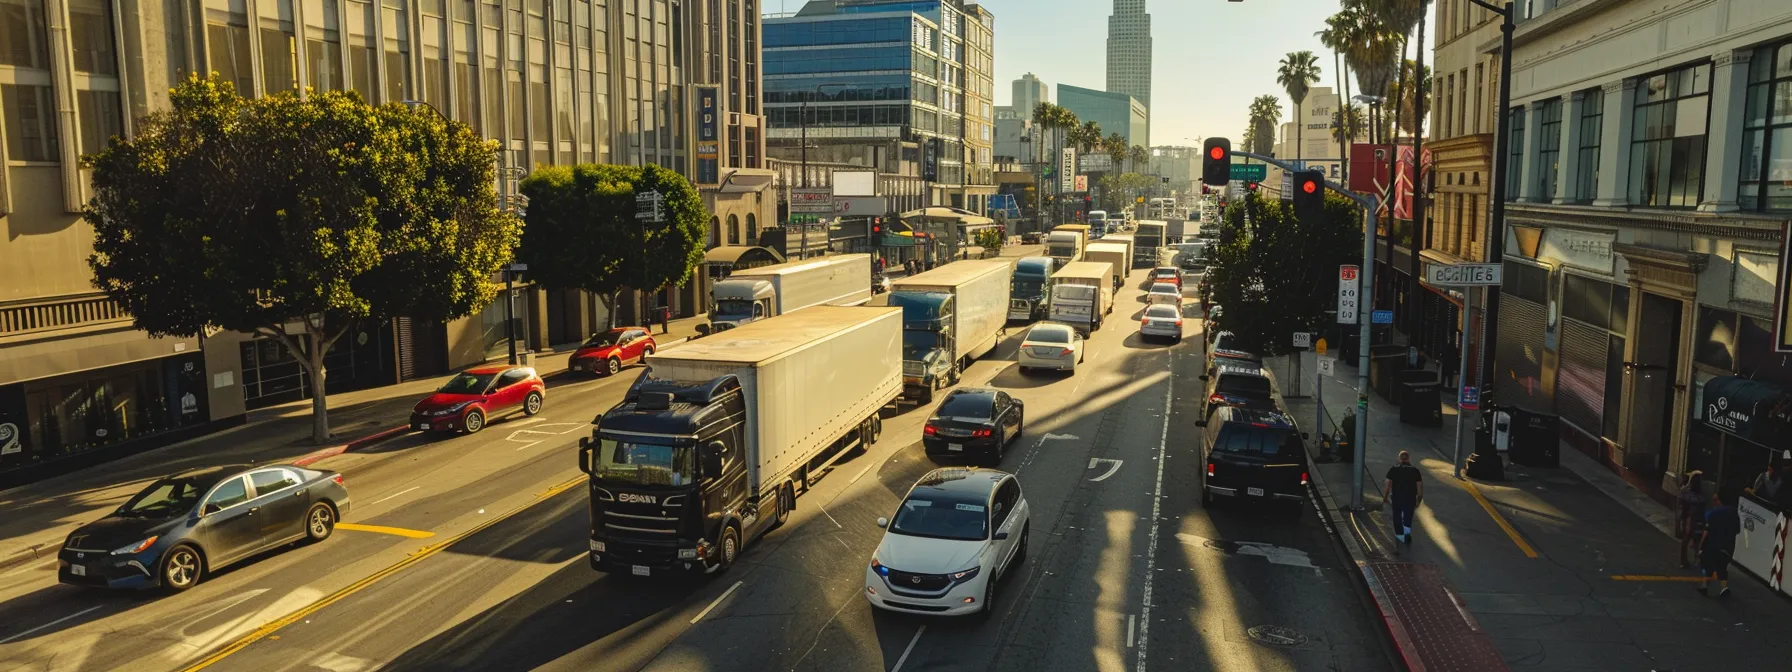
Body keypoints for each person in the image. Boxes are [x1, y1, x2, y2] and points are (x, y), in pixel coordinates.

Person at [1697, 488, 1741, 597]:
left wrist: (1700, 546)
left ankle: (1705, 586)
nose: (1714, 503)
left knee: (1708, 566)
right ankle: (1723, 587)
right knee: (1722, 567)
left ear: (1720, 500)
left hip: (1713, 546)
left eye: (1715, 500)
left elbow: (1706, 532)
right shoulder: (1734, 512)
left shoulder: (1713, 513)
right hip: (1728, 547)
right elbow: (1737, 530)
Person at [1384, 450, 1424, 544]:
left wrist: (1385, 497)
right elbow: (1419, 487)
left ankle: (1400, 536)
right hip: (1410, 499)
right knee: (1408, 516)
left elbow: (1388, 485)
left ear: (1399, 458)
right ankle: (1406, 533)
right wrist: (1419, 500)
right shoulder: (1415, 471)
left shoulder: (1393, 469)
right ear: (1408, 459)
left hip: (1397, 498)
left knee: (1397, 516)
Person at [1678, 471, 1708, 568]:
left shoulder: (1686, 493)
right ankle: (1697, 559)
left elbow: (1680, 500)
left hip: (1687, 519)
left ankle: (1684, 561)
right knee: (1697, 541)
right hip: (1697, 520)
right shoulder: (1701, 496)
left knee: (1685, 541)